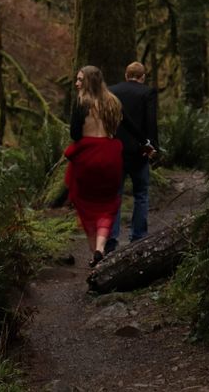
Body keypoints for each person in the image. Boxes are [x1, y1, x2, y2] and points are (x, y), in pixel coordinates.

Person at [64, 65, 124, 268]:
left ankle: (94, 253)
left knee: (86, 205)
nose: (77, 83)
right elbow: (118, 129)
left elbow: (74, 134)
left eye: (80, 80)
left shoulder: (81, 103)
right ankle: (100, 248)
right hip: (111, 156)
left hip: (88, 157)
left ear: (89, 81)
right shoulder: (113, 102)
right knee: (107, 205)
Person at [106, 61, 159, 253]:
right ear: (142, 77)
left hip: (115, 151)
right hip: (138, 152)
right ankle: (138, 238)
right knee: (141, 195)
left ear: (126, 75)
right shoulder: (147, 92)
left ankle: (111, 240)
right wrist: (152, 147)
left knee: (114, 196)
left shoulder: (111, 91)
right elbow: (151, 122)